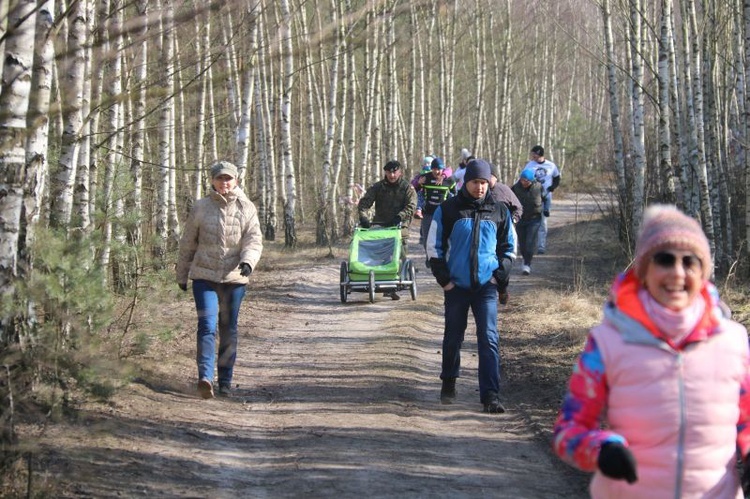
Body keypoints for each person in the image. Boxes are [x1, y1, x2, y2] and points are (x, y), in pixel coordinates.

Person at [552, 204, 750, 499]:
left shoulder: (733, 340)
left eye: (690, 262)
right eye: (665, 260)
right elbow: (570, 429)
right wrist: (601, 449)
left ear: (704, 271)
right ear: (644, 270)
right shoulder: (607, 341)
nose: (677, 273)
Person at [425, 159, 514, 413]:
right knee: (453, 336)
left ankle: (490, 395)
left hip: (486, 286)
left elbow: (509, 248)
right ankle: (449, 383)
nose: (480, 188)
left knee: (489, 338)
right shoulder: (449, 209)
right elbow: (434, 247)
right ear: (466, 182)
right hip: (457, 287)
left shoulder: (499, 211)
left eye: (485, 183)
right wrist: (445, 280)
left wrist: (499, 277)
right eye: (476, 182)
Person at [176, 161, 264, 399]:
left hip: (234, 277)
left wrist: (248, 261)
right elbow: (188, 243)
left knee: (228, 328)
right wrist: (181, 273)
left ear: (236, 181)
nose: (224, 183)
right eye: (219, 178)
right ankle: (205, 378)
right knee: (207, 326)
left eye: (228, 179)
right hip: (204, 275)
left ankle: (225, 381)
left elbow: (253, 240)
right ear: (212, 181)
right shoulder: (201, 207)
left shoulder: (247, 208)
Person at [358, 159, 417, 300]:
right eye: (389, 172)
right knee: (375, 252)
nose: (392, 175)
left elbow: (412, 206)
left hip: (399, 226)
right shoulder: (377, 187)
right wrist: (364, 218)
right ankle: (375, 279)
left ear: (400, 172)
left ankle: (395, 282)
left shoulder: (407, 188)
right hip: (380, 225)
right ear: (385, 172)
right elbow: (364, 204)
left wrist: (399, 217)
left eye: (395, 172)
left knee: (399, 253)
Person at [489, 163, 521, 304]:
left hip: (504, 231)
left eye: (489, 176)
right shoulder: (477, 191)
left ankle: (502, 289)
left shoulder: (504, 190)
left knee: (504, 264)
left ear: (495, 177)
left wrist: (512, 220)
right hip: (484, 232)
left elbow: (518, 208)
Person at [416, 156, 456, 266]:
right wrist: (419, 183)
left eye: (439, 169)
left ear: (442, 169)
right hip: (428, 212)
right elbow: (415, 188)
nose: (436, 172)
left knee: (445, 237)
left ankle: (444, 258)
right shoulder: (425, 178)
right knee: (427, 237)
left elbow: (454, 193)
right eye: (434, 169)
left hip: (444, 214)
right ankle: (430, 258)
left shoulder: (449, 180)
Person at [521, 145, 560, 254]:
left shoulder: (551, 165)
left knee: (543, 222)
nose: (532, 156)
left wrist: (552, 187)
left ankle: (541, 246)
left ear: (539, 155)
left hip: (545, 196)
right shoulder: (530, 165)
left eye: (534, 154)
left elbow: (557, 178)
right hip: (532, 197)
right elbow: (523, 178)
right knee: (530, 221)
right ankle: (529, 244)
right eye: (532, 154)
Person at [511, 169, 544, 276]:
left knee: (530, 242)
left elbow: (546, 198)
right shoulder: (515, 188)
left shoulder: (539, 187)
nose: (524, 183)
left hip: (534, 218)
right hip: (520, 219)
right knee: (523, 243)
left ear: (531, 180)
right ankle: (525, 259)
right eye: (522, 180)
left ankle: (527, 264)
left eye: (526, 181)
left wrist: (546, 209)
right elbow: (509, 200)